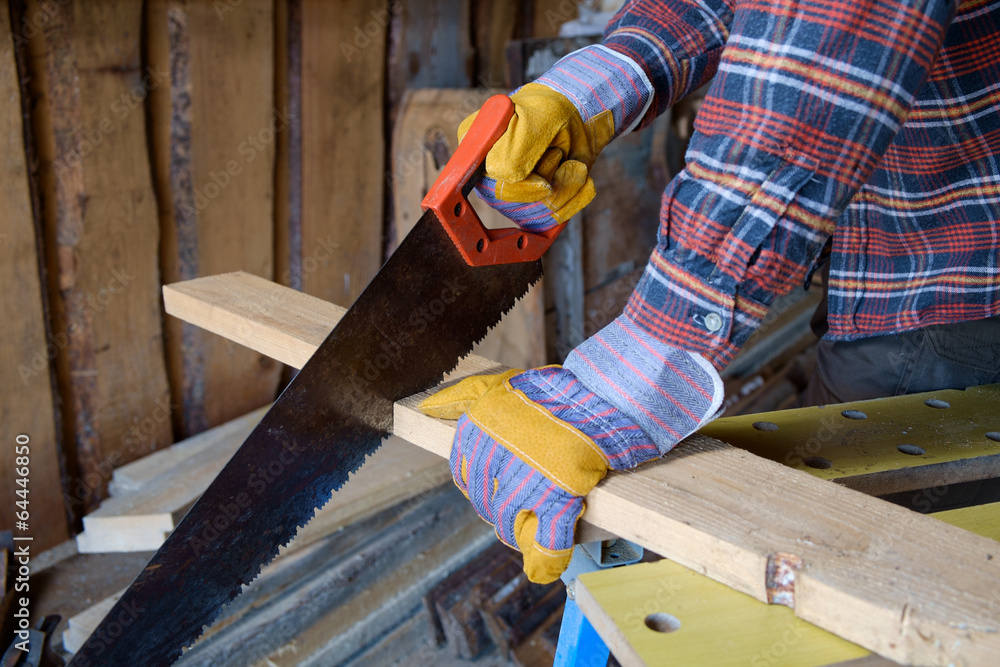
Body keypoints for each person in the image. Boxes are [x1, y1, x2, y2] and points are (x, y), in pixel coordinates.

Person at [418, 0, 1000, 584]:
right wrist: (597, 83)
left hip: (953, 282)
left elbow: (822, 67)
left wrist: (636, 375)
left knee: (862, 573)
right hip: (891, 245)